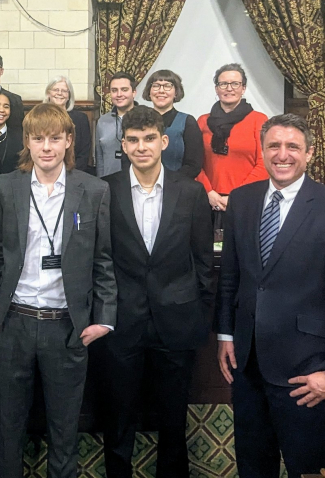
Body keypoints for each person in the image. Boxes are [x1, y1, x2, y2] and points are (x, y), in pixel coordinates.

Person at [216, 113, 325, 478]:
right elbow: (231, 278)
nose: (283, 154)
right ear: (262, 151)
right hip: (247, 370)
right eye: (274, 146)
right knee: (252, 468)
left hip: (308, 376)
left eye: (292, 146)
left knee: (307, 470)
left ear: (309, 153)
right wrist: (226, 334)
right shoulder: (243, 201)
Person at [0, 103, 117, 478]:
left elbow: (102, 259)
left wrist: (104, 319)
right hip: (14, 322)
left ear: (69, 141)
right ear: (27, 141)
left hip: (67, 327)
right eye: (38, 138)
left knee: (64, 430)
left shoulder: (94, 190)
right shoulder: (5, 185)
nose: (47, 147)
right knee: (9, 427)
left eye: (55, 138)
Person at [95, 106, 214, 478]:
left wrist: (200, 316)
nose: (141, 146)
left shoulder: (192, 192)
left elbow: (203, 262)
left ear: (163, 141)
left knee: (173, 419)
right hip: (121, 322)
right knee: (118, 417)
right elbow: (100, 259)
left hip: (176, 321)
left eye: (149, 138)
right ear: (123, 144)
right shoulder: (104, 191)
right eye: (133, 140)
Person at [196, 63, 268, 227]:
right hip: (209, 200)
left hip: (247, 199)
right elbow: (195, 163)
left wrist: (237, 196)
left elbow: (264, 164)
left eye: (235, 84)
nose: (229, 88)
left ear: (243, 88)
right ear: (216, 88)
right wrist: (209, 192)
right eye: (223, 84)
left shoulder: (259, 120)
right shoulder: (202, 122)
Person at [140, 69, 203, 179]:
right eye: (156, 86)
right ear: (149, 92)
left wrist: (168, 182)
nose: (161, 91)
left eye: (167, 86)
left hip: (177, 186)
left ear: (176, 92)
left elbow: (194, 165)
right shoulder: (137, 120)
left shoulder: (188, 122)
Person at [44, 76, 92, 172]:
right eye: (56, 90)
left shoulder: (81, 119)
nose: (59, 93)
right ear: (48, 93)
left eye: (64, 91)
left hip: (75, 173)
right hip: (45, 171)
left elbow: (84, 151)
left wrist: (72, 174)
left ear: (69, 95)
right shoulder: (39, 118)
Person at [95, 72, 136, 178]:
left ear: (134, 92)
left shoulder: (146, 118)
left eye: (124, 90)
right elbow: (99, 157)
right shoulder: (102, 121)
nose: (119, 94)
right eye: (114, 90)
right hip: (109, 181)